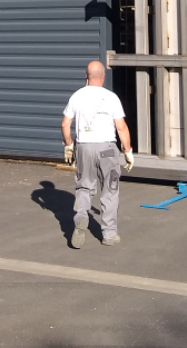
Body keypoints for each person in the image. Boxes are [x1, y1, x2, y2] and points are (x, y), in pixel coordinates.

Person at [61, 60, 134, 248]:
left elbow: (65, 124)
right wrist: (128, 150)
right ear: (103, 77)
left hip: (84, 147)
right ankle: (109, 235)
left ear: (86, 76)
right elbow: (121, 127)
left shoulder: (77, 96)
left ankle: (81, 216)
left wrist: (69, 145)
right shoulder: (111, 97)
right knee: (110, 190)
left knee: (84, 187)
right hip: (107, 148)